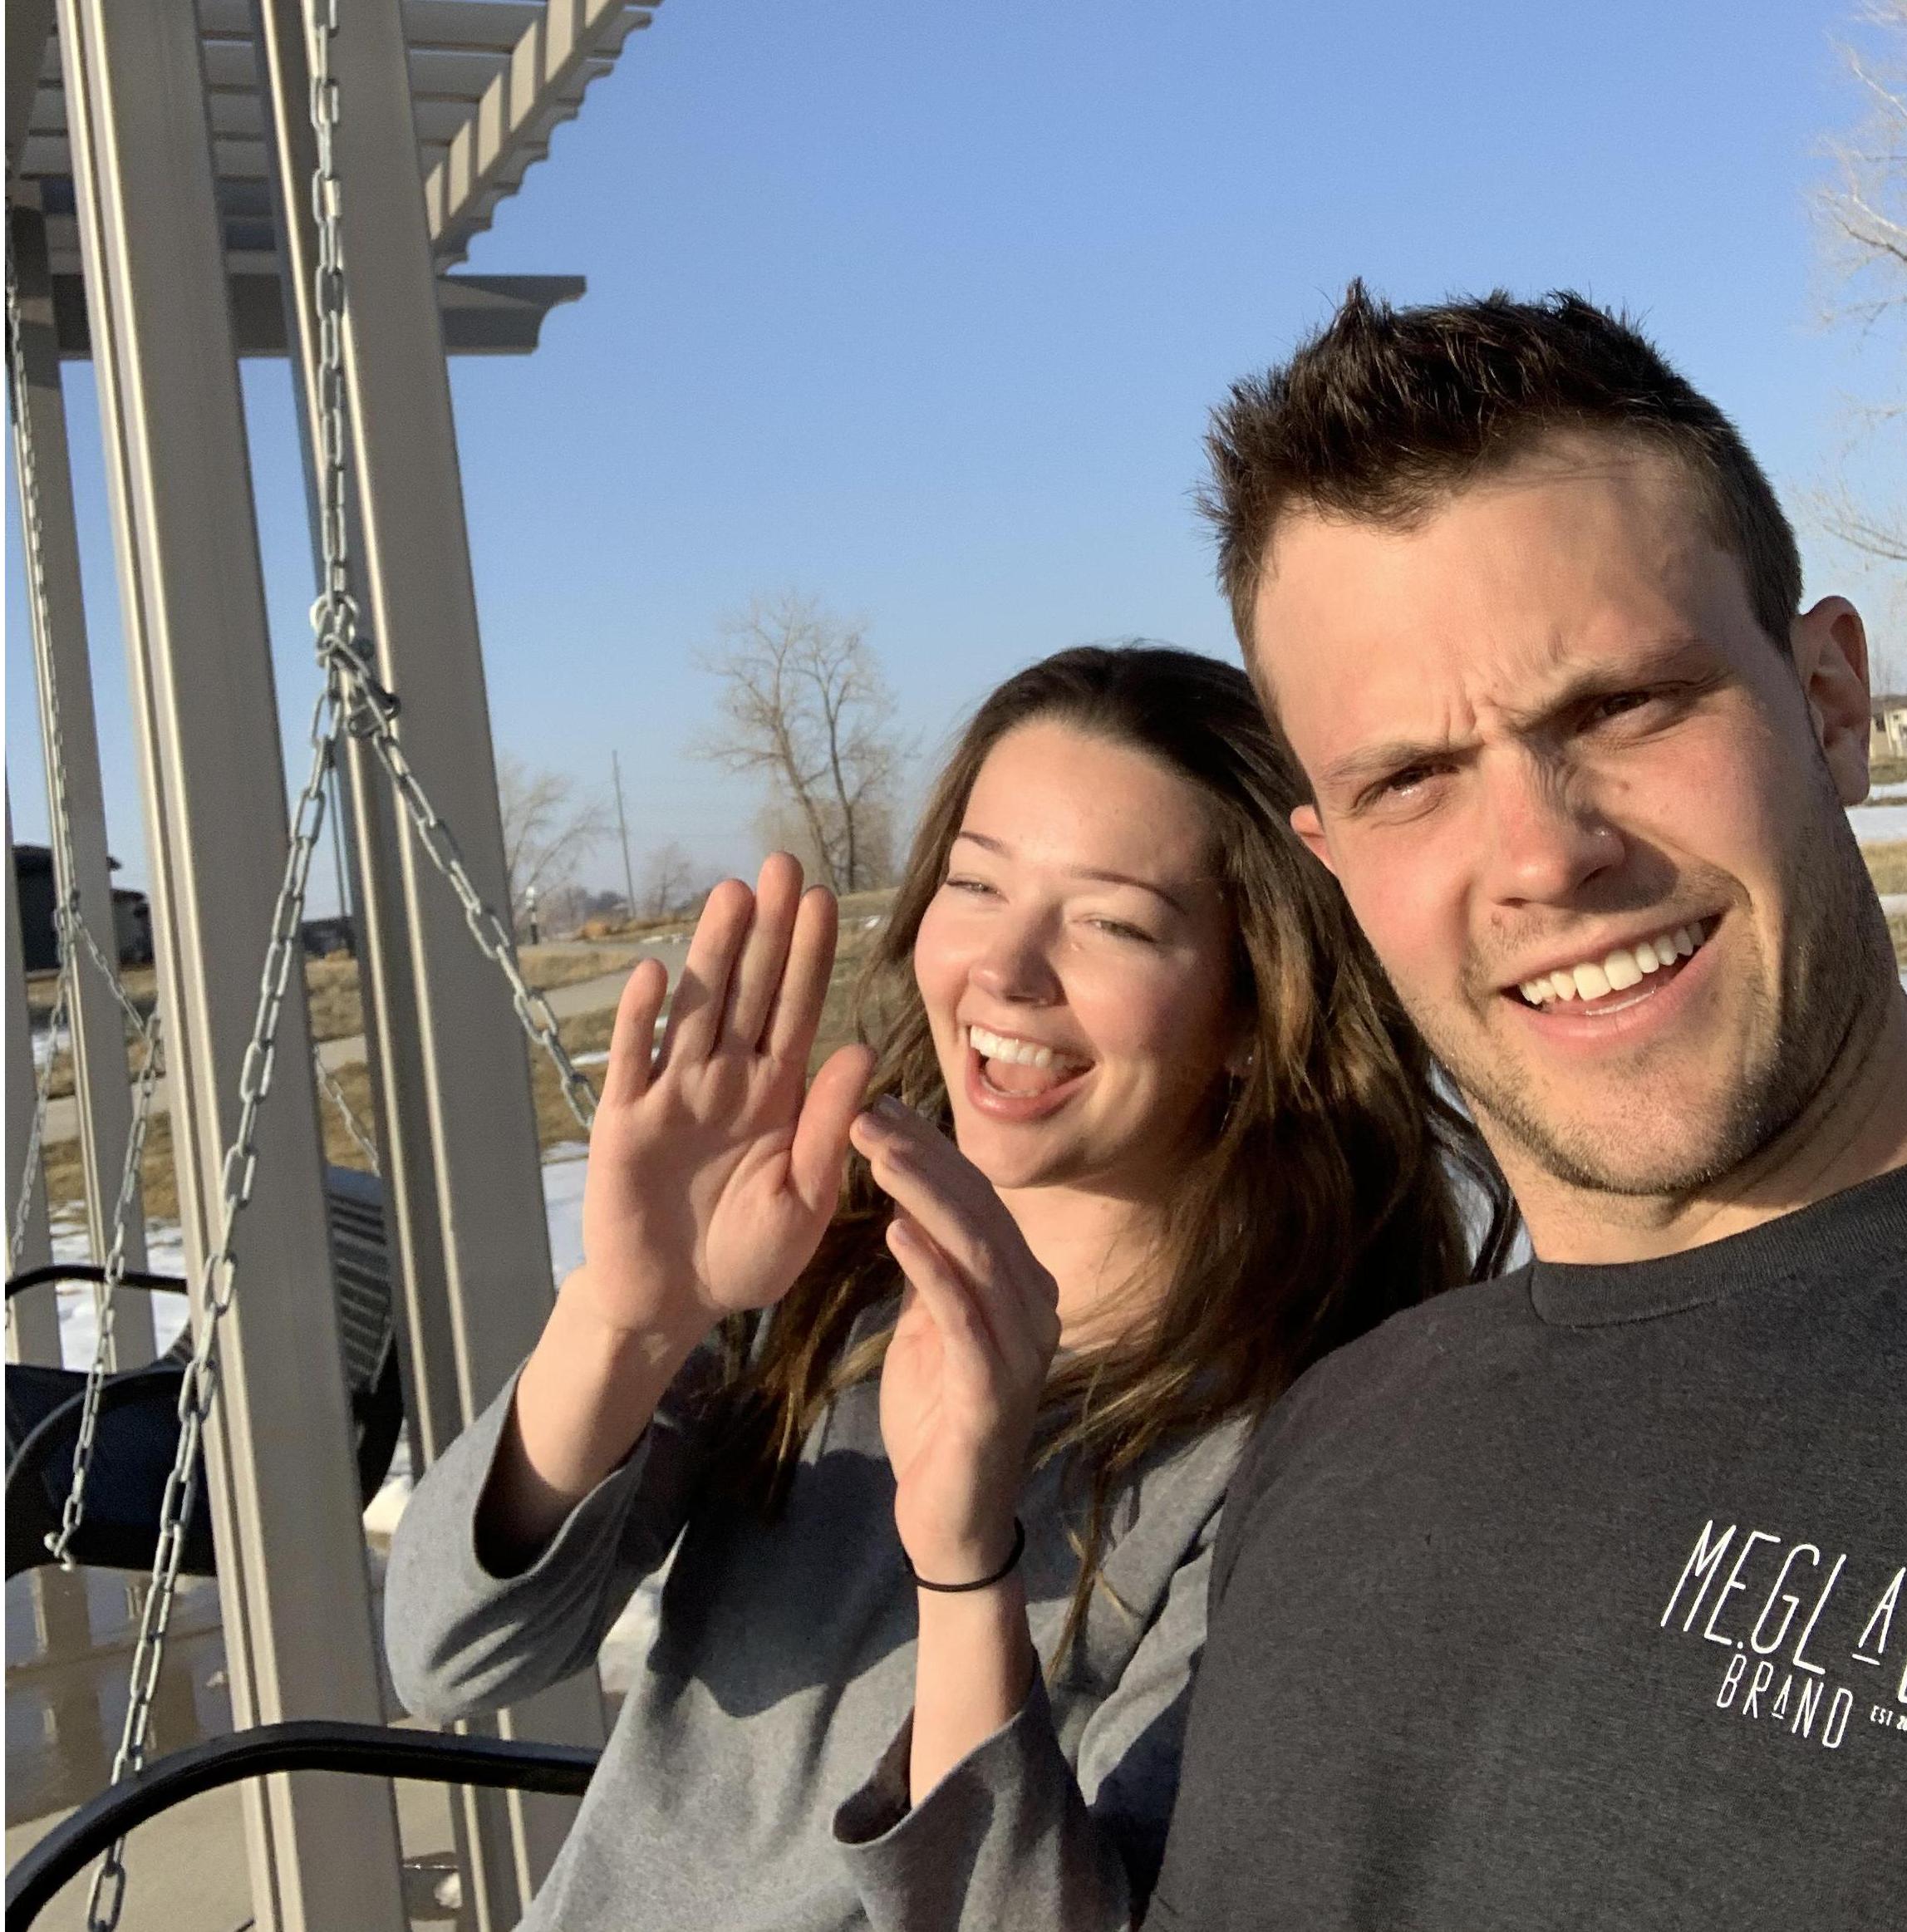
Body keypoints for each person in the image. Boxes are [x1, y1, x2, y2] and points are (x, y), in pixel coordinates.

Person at [384, 644, 1512, 1931]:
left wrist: (966, 1564)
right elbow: (450, 1653)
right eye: (975, 883)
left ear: (1256, 1007)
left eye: (1112, 920)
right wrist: (633, 1315)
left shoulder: (1296, 1454)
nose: (1007, 968)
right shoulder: (816, 1264)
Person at [1148, 286, 1907, 1930]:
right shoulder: (1329, 1441)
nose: (1541, 855)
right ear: (1332, 863)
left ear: (1827, 702)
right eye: (1408, 779)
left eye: (1620, 705)